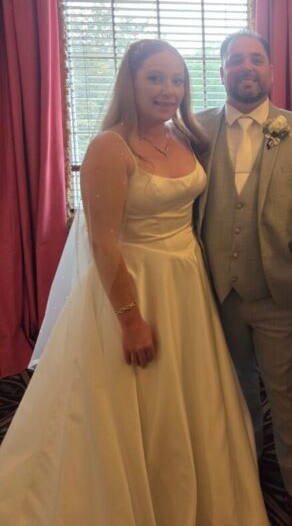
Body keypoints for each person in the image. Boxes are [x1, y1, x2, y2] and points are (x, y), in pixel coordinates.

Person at [0, 39, 269, 526]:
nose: (169, 90)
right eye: (155, 78)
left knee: (190, 398)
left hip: (186, 285)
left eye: (177, 80)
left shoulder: (183, 136)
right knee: (135, 405)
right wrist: (130, 321)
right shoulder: (110, 146)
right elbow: (103, 244)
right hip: (135, 287)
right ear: (131, 82)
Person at [196, 30, 292, 526]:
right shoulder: (195, 130)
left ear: (271, 70)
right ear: (222, 71)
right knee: (233, 393)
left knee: (288, 395)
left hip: (281, 295)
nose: (246, 67)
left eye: (255, 59)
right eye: (235, 60)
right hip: (217, 293)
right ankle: (244, 479)